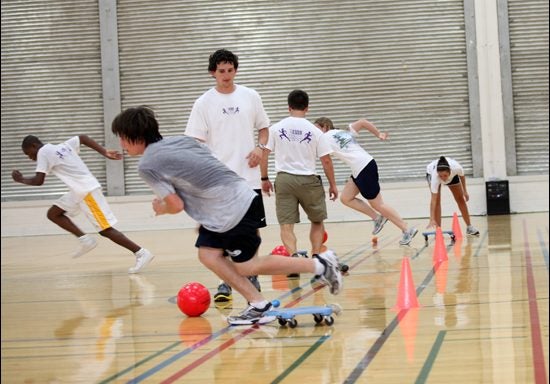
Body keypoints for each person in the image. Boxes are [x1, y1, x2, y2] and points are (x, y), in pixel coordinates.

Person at [111, 105, 342, 325]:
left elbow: (175, 204)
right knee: (208, 254)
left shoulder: (148, 164)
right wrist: (206, 216)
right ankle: (258, 304)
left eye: (122, 137)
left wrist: (161, 208)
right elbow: (206, 167)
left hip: (232, 209)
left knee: (247, 266)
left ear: (135, 137)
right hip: (232, 202)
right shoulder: (181, 141)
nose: (121, 144)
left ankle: (320, 264)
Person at [185, 48, 269, 303]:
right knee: (219, 233)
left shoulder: (250, 96)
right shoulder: (203, 103)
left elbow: (265, 130)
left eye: (230, 70)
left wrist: (259, 148)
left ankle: (250, 272)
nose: (226, 75)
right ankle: (225, 280)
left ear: (236, 70)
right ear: (213, 73)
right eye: (221, 71)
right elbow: (195, 142)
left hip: (249, 179)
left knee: (251, 230)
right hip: (219, 183)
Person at [11, 134, 154, 273]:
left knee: (105, 230)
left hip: (86, 191)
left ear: (34, 146)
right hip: (78, 191)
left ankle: (141, 252)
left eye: (28, 154)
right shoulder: (62, 147)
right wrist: (103, 151)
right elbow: (83, 138)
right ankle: (85, 240)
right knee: (53, 213)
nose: (30, 158)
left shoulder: (42, 152)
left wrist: (21, 180)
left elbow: (38, 181)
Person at [261, 90, 338, 267]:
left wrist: (264, 178)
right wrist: (333, 185)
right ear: (307, 108)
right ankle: (317, 257)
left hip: (284, 180)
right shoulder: (315, 131)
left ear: (289, 107)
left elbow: (264, 154)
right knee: (317, 220)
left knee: (286, 224)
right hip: (308, 181)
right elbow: (326, 160)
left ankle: (294, 258)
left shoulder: (276, 128)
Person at [314, 117, 418, 246]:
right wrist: (378, 134)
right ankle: (377, 218)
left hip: (363, 167)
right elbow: (362, 122)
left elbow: (326, 161)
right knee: (346, 198)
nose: (315, 131)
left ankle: (407, 229)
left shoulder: (324, 138)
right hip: (363, 166)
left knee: (378, 204)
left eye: (316, 128)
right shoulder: (344, 132)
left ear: (325, 127)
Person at [426, 156, 480, 235]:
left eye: (445, 175)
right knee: (437, 201)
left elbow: (462, 177)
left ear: (450, 171)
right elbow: (433, 200)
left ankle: (469, 227)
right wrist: (431, 219)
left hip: (452, 177)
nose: (443, 178)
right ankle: (438, 230)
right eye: (441, 176)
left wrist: (465, 191)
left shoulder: (456, 168)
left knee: (460, 199)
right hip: (430, 172)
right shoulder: (435, 177)